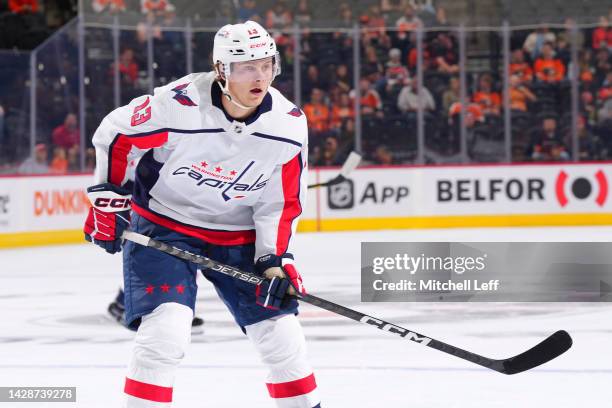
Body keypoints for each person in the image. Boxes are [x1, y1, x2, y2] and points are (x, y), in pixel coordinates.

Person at [83, 21, 320, 407]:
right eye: (246, 67)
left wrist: (275, 259)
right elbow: (117, 134)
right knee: (165, 333)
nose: (260, 76)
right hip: (163, 227)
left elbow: (280, 201)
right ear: (221, 69)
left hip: (237, 236)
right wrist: (110, 197)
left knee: (283, 338)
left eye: (266, 64)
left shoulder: (288, 126)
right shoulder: (178, 105)